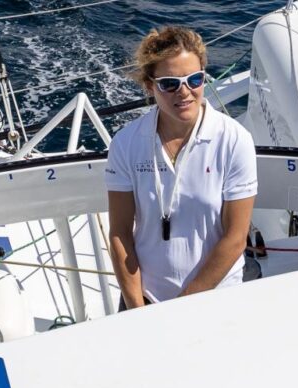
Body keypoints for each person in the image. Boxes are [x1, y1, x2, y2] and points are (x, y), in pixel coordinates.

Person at [105, 26, 257, 311]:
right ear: (149, 86)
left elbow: (236, 238)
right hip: (145, 301)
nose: (185, 92)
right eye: (169, 84)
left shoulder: (235, 140)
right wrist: (137, 309)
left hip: (217, 298)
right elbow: (120, 233)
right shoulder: (126, 143)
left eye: (194, 79)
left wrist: (180, 310)